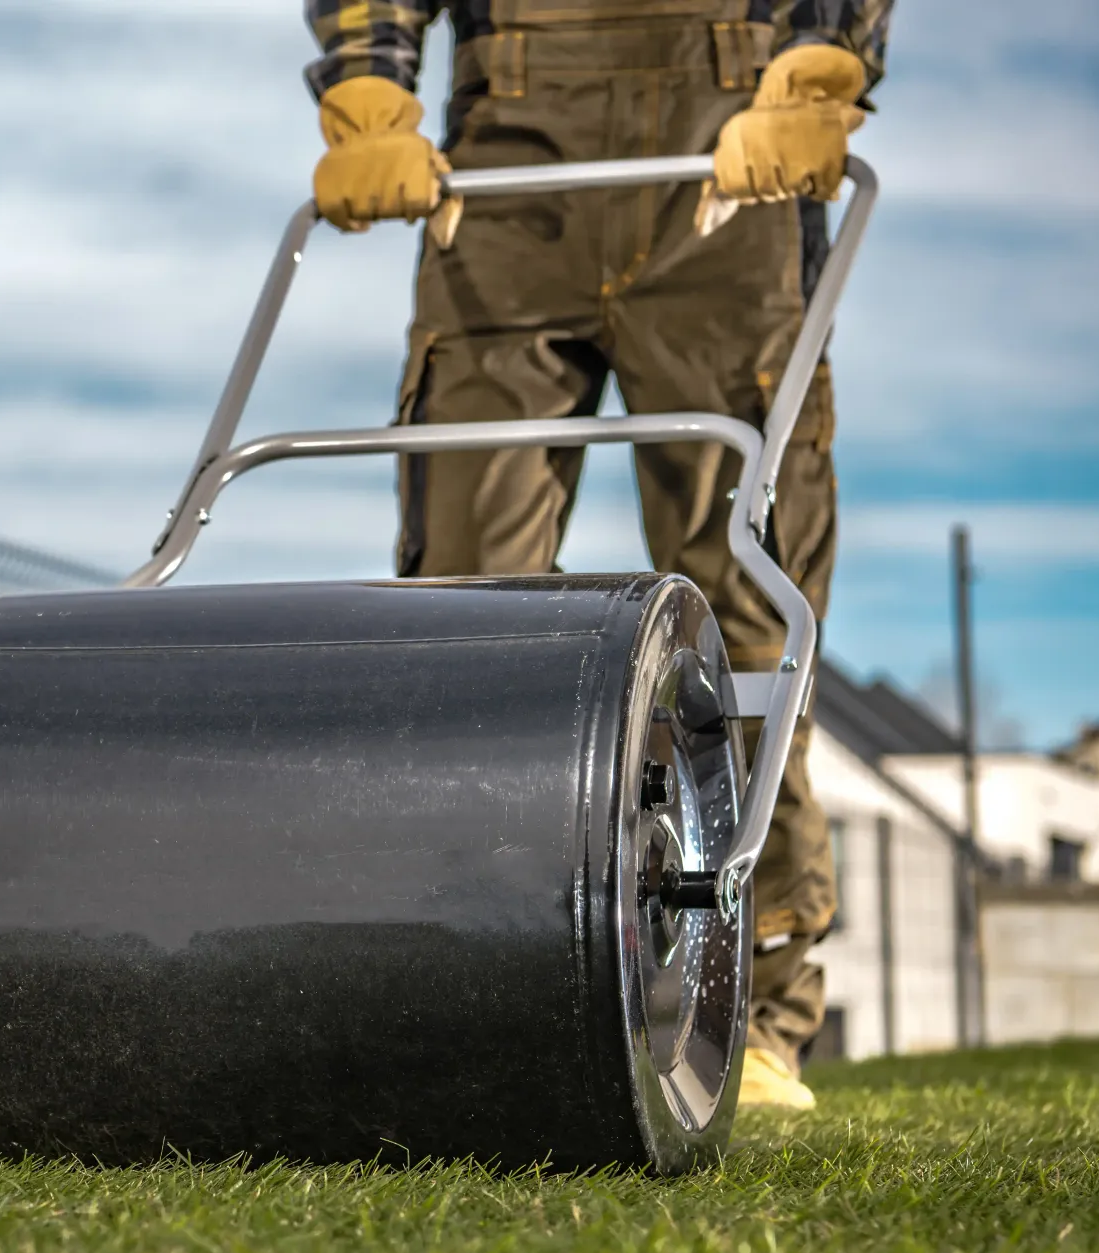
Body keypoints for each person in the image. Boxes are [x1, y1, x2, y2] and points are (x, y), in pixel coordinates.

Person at [304, 0, 893, 1110]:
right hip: (510, 163)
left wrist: (822, 64)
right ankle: (462, 984)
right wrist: (366, 79)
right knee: (462, 619)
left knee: (746, 621)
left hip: (735, 151)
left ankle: (754, 1016)